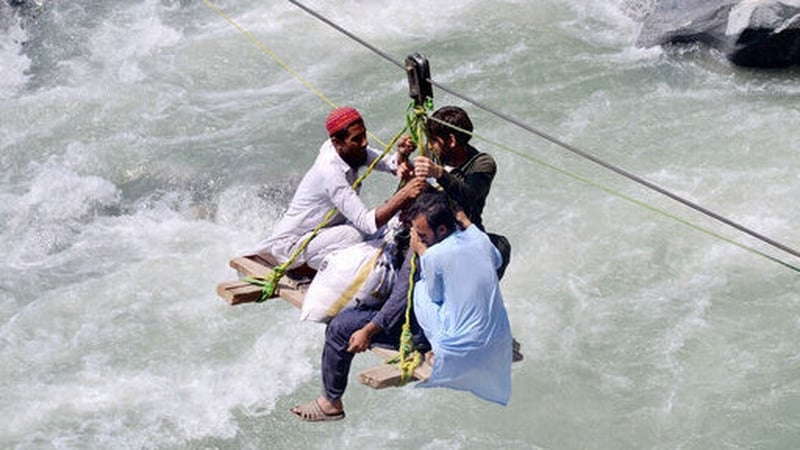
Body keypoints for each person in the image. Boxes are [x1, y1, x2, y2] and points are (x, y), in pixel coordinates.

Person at [247, 106, 426, 271]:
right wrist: (405, 194)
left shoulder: (351, 149)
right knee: (353, 235)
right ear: (336, 143)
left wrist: (402, 155)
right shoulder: (330, 172)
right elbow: (367, 223)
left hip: (326, 233)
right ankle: (310, 269)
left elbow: (390, 164)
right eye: (357, 139)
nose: (364, 143)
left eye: (364, 135)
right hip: (292, 247)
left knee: (390, 224)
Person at [409, 192, 512, 405]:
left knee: (420, 290)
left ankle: (439, 350)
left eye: (422, 234)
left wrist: (422, 253)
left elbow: (434, 296)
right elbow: (497, 261)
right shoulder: (480, 238)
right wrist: (465, 220)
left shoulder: (433, 256)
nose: (419, 239)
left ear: (442, 230)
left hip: (458, 354)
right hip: (498, 345)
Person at [399, 105, 510, 278]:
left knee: (502, 247)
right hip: (429, 232)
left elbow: (470, 195)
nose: (430, 145)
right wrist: (403, 160)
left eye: (434, 140)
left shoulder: (482, 164)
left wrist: (439, 173)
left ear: (451, 141)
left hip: (462, 231)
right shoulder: (431, 153)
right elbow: (411, 191)